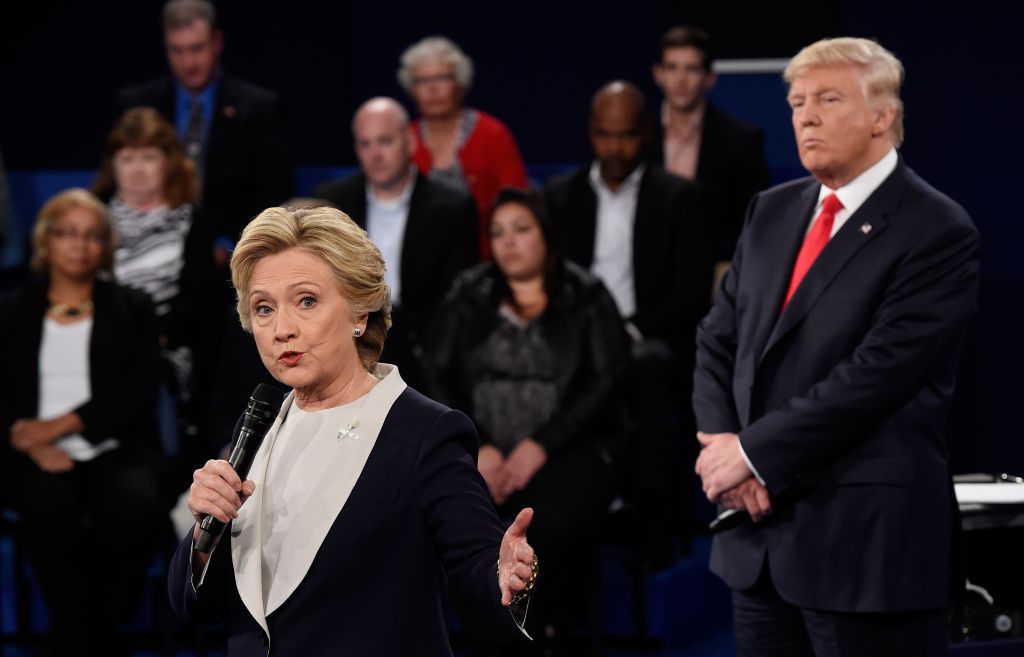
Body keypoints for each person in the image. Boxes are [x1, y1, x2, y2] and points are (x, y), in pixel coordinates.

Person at [692, 37, 981, 657]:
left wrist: (751, 454)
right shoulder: (769, 212)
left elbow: (876, 378)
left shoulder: (936, 229)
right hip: (759, 539)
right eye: (797, 102)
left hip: (865, 550)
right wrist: (723, 444)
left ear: (883, 116)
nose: (806, 116)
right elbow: (718, 337)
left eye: (827, 98)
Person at [168, 206, 539, 656]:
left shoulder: (425, 433)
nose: (283, 329)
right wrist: (204, 540)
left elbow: (476, 567)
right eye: (264, 308)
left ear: (359, 310)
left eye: (306, 301)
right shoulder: (257, 430)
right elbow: (196, 606)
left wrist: (504, 577)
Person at [425, 187, 629, 651]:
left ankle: (542, 630)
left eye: (521, 230)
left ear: (547, 236)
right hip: (481, 447)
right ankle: (485, 632)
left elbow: (606, 382)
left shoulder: (587, 294)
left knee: (549, 515)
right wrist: (479, 444)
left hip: (567, 447)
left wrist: (541, 445)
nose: (508, 243)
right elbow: (436, 372)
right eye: (498, 233)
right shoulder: (467, 292)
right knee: (454, 506)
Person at [544, 80, 711, 561]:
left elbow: (690, 293)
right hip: (572, 336)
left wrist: (623, 334)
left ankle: (649, 522)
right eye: (603, 135)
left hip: (646, 339)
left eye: (626, 135)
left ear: (646, 133)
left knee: (647, 366)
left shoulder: (680, 198)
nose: (614, 147)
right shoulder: (559, 196)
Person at [0, 189, 165, 657]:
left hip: (114, 446)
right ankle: (91, 637)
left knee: (134, 503)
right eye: (68, 234)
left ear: (106, 247)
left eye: (93, 236)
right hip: (30, 454)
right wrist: (30, 441)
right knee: (47, 507)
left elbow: (138, 391)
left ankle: (79, 640)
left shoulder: (132, 308)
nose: (80, 245)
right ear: (45, 242)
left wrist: (58, 426)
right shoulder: (11, 312)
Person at [313, 97, 479, 387]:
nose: (375, 154)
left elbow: (458, 297)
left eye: (385, 141)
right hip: (350, 334)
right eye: (365, 144)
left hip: (424, 344)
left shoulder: (452, 207)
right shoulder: (333, 203)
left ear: (410, 142)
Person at [117, 0, 293, 262]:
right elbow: (118, 183)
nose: (188, 62)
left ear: (217, 42)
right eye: (177, 51)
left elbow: (273, 195)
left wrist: (234, 245)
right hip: (147, 250)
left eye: (197, 48)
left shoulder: (258, 109)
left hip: (232, 258)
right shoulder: (138, 105)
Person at [94, 106, 217, 462]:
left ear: (168, 162)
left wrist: (148, 339)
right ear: (113, 164)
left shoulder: (189, 220)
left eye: (148, 157)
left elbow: (197, 307)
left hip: (164, 347)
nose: (137, 169)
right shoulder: (93, 217)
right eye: (127, 157)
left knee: (144, 373)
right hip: (97, 340)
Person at [649, 26, 770, 291]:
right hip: (647, 271)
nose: (681, 79)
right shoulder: (638, 137)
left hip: (713, 273)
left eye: (691, 69)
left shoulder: (741, 140)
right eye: (672, 67)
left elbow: (753, 219)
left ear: (709, 78)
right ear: (658, 74)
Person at [398, 36, 528, 258]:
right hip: (419, 258)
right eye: (421, 81)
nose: (432, 88)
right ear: (411, 90)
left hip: (486, 255)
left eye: (442, 78)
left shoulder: (493, 134)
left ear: (459, 83)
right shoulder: (402, 139)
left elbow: (517, 202)